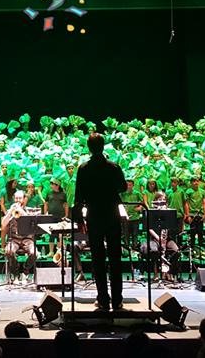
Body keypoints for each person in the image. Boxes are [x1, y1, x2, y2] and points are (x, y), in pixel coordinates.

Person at [73, 132, 126, 311]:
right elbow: (123, 187)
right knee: (115, 257)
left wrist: (79, 218)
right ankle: (117, 299)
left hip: (94, 215)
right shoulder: (113, 167)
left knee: (98, 258)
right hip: (111, 214)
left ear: (89, 148)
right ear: (103, 147)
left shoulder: (84, 168)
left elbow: (78, 196)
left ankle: (103, 299)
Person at [2, 190, 37, 283]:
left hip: (27, 239)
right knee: (9, 251)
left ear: (24, 199)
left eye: (20, 198)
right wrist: (10, 213)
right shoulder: (11, 210)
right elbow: (3, 224)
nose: (18, 200)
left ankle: (25, 271)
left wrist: (22, 212)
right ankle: (15, 272)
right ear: (14, 198)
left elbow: (31, 224)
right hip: (14, 239)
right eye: (16, 198)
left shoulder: (29, 210)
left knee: (34, 253)